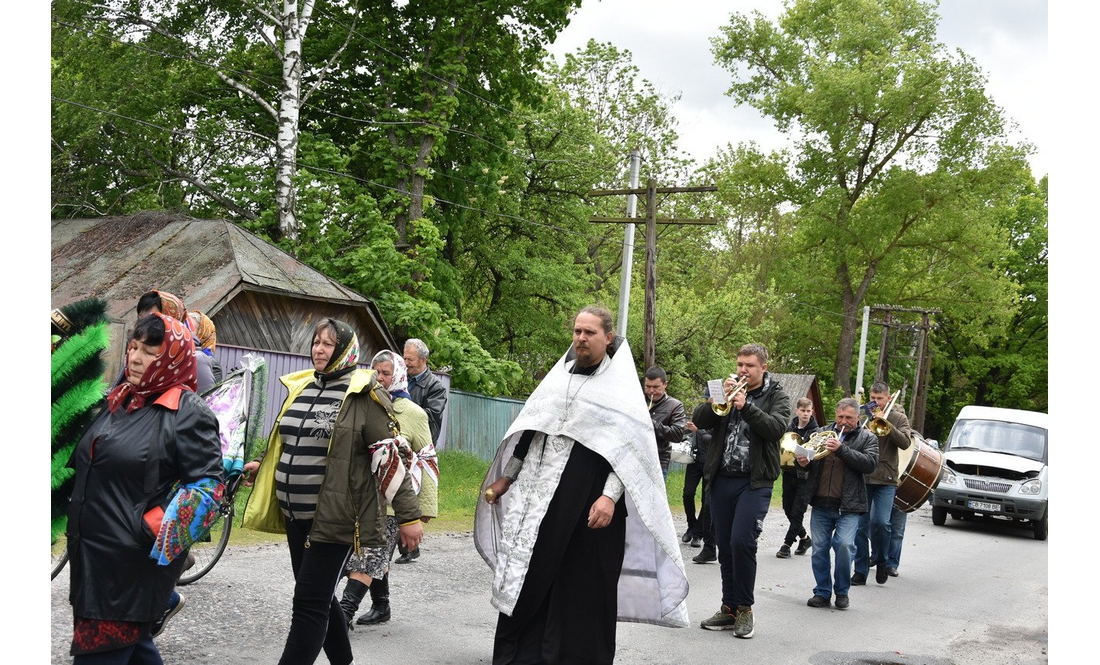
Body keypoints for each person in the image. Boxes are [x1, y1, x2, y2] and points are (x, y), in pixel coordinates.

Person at [473, 306, 689, 664]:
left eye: (589, 332)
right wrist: (507, 477)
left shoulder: (622, 392)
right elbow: (531, 434)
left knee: (580, 590)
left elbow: (629, 455)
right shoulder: (558, 380)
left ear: (608, 338)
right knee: (531, 577)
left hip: (590, 503)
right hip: (541, 502)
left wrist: (608, 497)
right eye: (577, 331)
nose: (581, 338)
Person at [241, 318, 424, 665]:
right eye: (316, 342)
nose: (319, 349)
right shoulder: (304, 387)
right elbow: (292, 441)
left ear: (344, 349)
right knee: (321, 599)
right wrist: (263, 464)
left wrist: (410, 515)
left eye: (327, 343)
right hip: (296, 516)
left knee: (307, 604)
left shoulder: (363, 393)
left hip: (335, 517)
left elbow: (390, 455)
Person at [67, 312, 225, 663]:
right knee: (135, 653)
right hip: (91, 557)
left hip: (130, 566)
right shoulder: (120, 399)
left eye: (150, 351)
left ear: (172, 357)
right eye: (134, 347)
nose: (135, 357)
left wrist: (151, 532)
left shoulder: (186, 411)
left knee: (100, 654)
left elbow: (209, 488)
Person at [691, 343, 790, 638]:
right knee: (724, 544)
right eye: (739, 364)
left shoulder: (777, 395)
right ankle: (729, 607)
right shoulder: (728, 391)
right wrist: (715, 399)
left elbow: (775, 429)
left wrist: (746, 406)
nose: (742, 370)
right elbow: (698, 420)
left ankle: (745, 609)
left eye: (749, 365)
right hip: (722, 477)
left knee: (742, 542)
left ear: (763, 368)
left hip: (755, 481)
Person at [339, 349, 439, 627]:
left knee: (371, 554)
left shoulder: (413, 414)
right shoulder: (363, 403)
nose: (380, 378)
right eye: (377, 372)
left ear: (398, 375)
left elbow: (428, 459)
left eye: (386, 373)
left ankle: (344, 613)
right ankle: (382, 606)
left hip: (397, 501)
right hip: (364, 497)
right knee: (376, 554)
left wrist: (423, 511)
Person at [802, 398, 879, 610]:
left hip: (849, 506)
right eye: (840, 417)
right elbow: (810, 462)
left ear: (858, 417)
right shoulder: (820, 433)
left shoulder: (867, 438)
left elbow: (870, 464)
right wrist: (804, 462)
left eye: (849, 418)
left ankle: (842, 591)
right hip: (821, 502)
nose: (844, 422)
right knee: (819, 549)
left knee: (844, 547)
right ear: (835, 416)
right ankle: (822, 591)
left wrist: (841, 449)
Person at [852, 382, 912, 585]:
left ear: (887, 398)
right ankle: (860, 570)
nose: (875, 402)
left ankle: (882, 561)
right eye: (872, 398)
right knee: (860, 526)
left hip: (886, 478)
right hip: (865, 476)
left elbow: (905, 442)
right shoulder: (863, 416)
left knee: (881, 523)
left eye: (879, 398)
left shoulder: (898, 417)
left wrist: (887, 424)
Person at [400, 337, 448, 563]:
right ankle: (407, 546)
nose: (405, 363)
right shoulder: (401, 379)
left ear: (423, 360)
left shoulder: (435, 387)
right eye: (404, 358)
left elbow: (430, 417)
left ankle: (410, 546)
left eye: (409, 359)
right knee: (399, 491)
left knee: (411, 494)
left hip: (420, 447)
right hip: (401, 443)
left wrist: (405, 413)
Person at [136, 290, 216, 393]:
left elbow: (205, 405)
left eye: (153, 320)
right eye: (140, 320)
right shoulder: (137, 357)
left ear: (173, 321)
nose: (144, 327)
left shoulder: (195, 362)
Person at [777, 397, 818, 558]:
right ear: (797, 411)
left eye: (808, 411)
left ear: (812, 411)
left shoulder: (816, 431)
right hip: (789, 473)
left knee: (797, 512)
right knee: (787, 509)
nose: (806, 414)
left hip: (805, 476)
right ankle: (805, 538)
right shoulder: (790, 428)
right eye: (803, 411)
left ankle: (786, 544)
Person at [684, 401, 718, 564]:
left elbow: (711, 439)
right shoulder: (702, 412)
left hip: (708, 463)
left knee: (707, 503)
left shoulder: (717, 415)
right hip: (693, 460)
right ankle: (691, 526)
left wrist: (698, 430)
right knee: (687, 494)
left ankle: (698, 535)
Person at [644, 366, 688, 482]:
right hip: (635, 459)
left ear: (665, 384)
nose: (651, 391)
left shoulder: (675, 405)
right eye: (648, 386)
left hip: (658, 462)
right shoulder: (638, 400)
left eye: (656, 387)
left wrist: (650, 423)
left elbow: (677, 434)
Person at [187, 310, 223, 386]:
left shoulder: (212, 364)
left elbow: (211, 394)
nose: (185, 329)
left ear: (203, 333)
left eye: (190, 328)